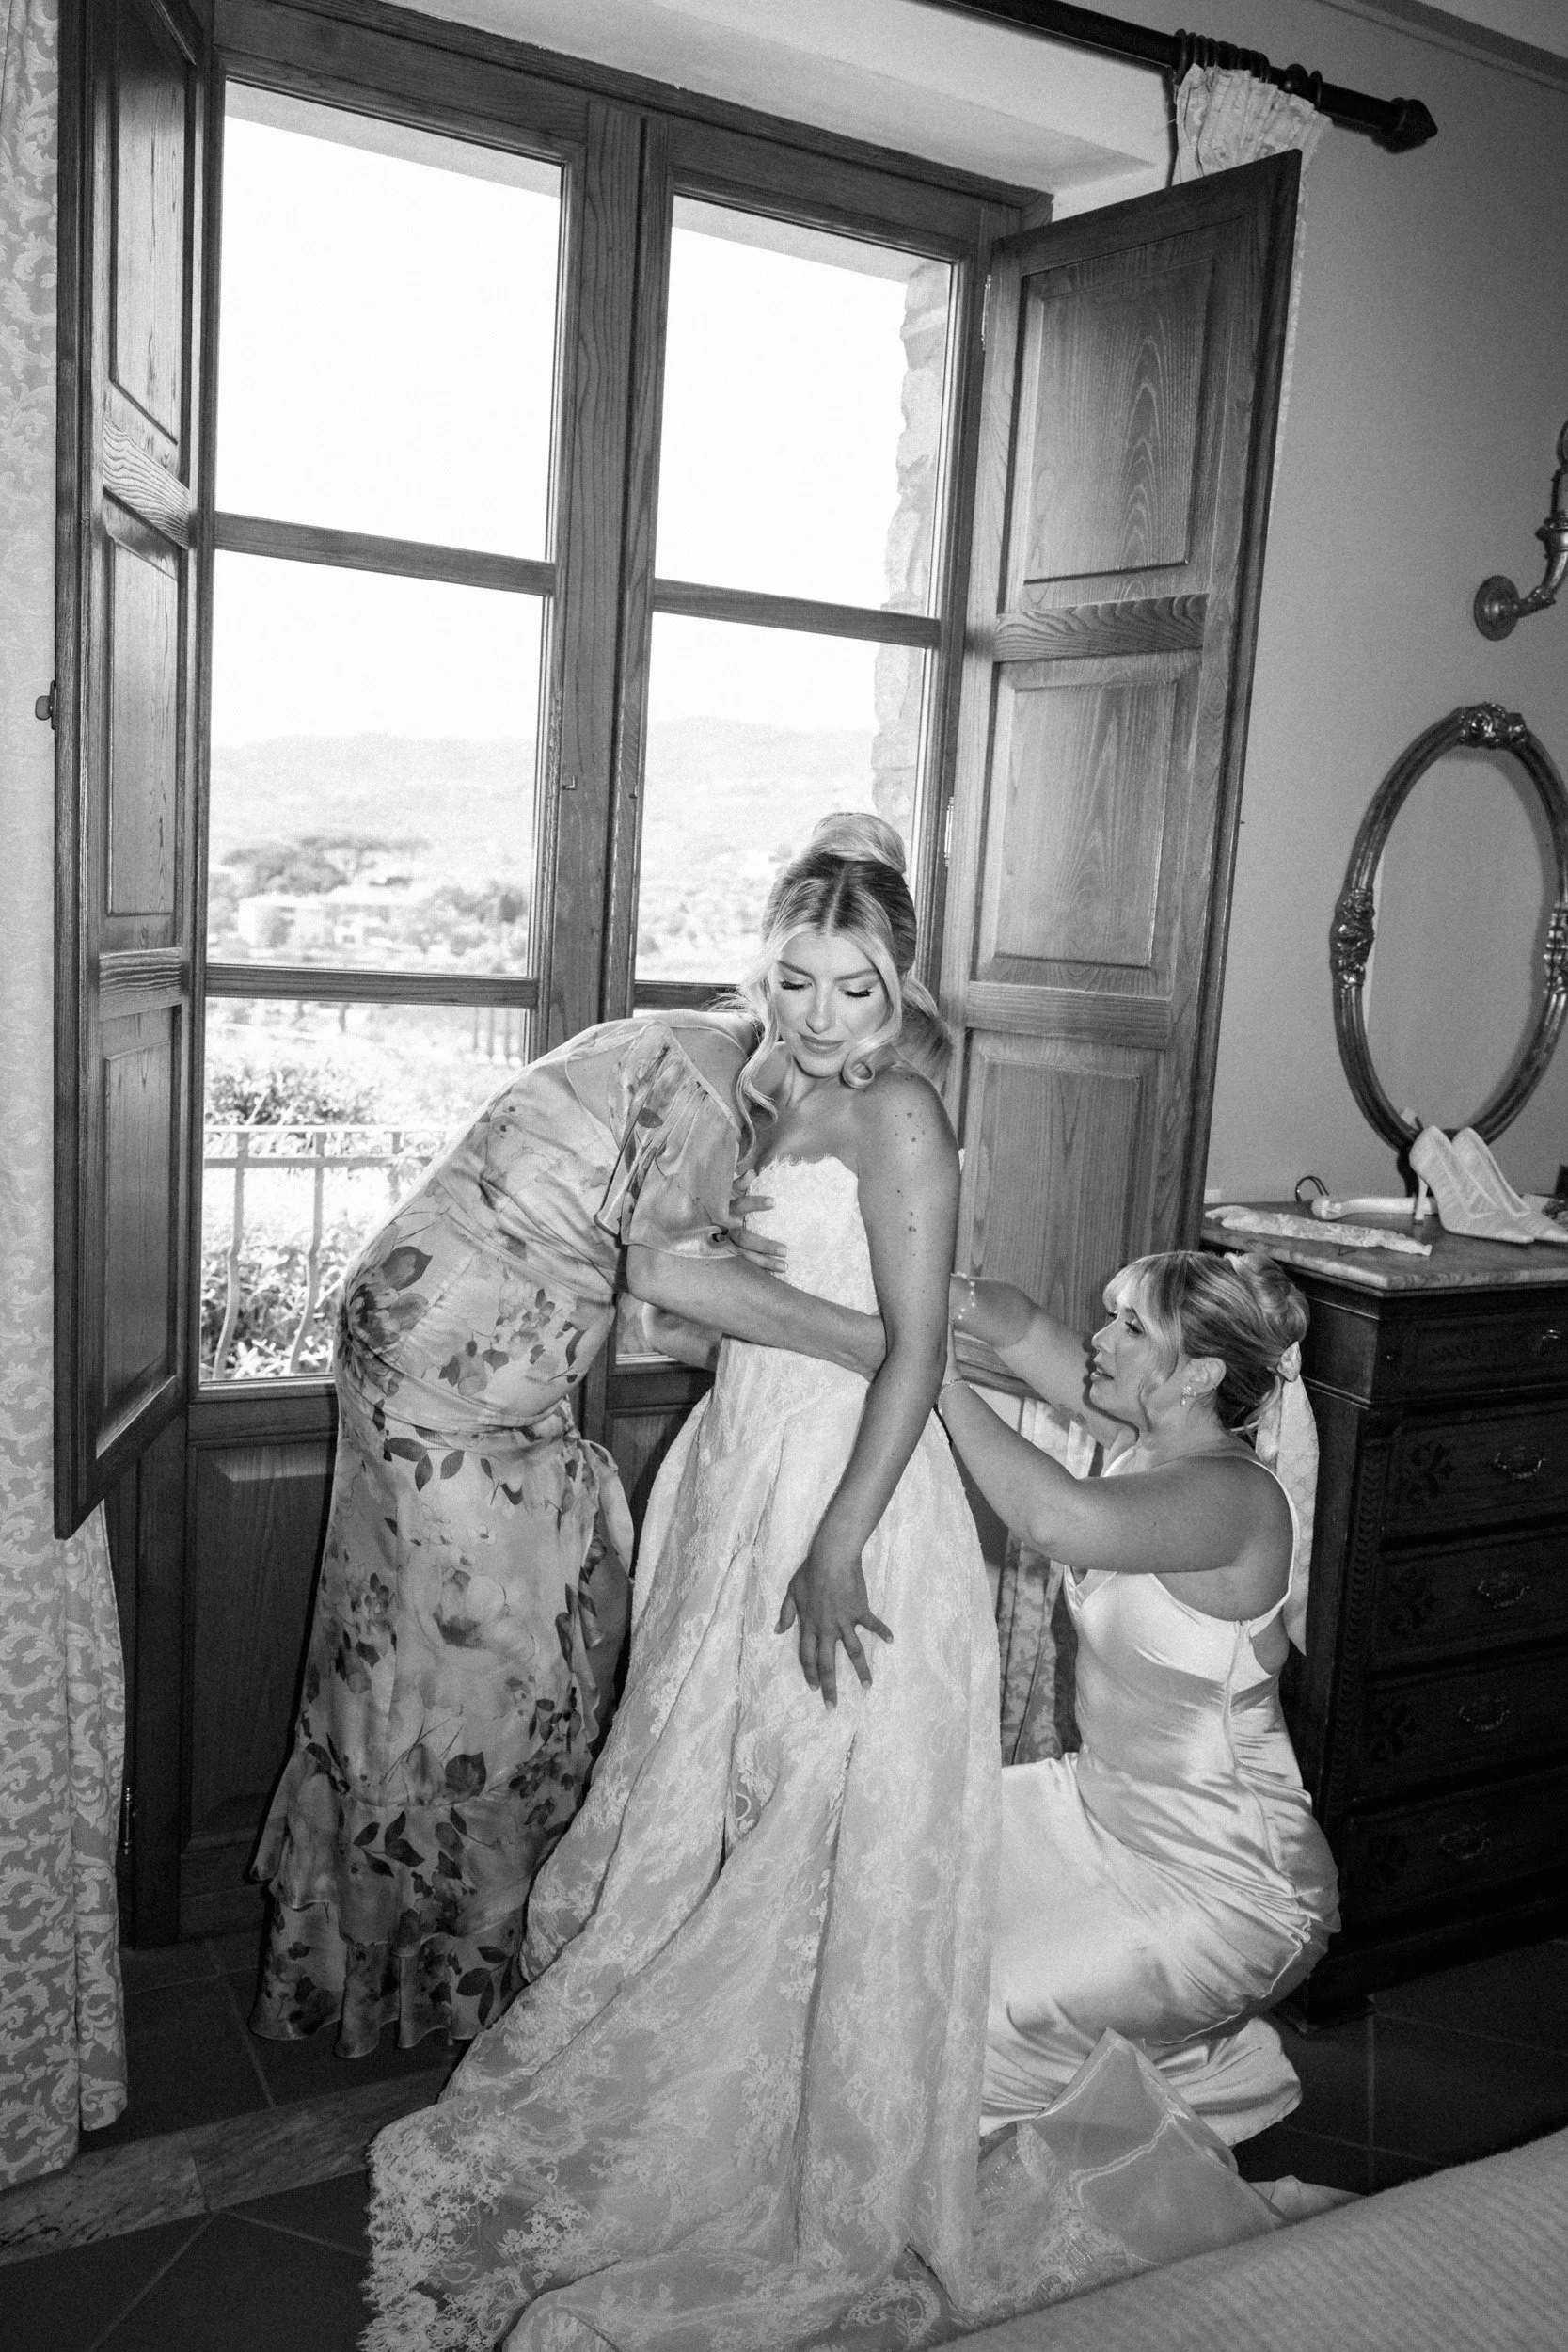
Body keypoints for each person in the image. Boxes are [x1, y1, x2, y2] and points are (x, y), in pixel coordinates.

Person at [362, 815, 1005, 2350]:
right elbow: (679, 1317)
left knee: (814, 1804)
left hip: (852, 1486)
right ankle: (717, 2096)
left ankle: (821, 2143)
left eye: (856, 988)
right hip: (737, 1468)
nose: (820, 1015)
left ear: (901, 987)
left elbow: (912, 1347)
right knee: (701, 1790)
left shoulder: (902, 1113)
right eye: (794, 977)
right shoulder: (745, 1088)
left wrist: (844, 1535)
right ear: (760, 968)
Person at [250, 960, 906, 2059]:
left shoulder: (681, 1048)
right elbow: (666, 1296)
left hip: (444, 1356)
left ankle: (384, 1971)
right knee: (465, 1682)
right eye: (813, 1002)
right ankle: (455, 1989)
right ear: (772, 998)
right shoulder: (705, 1094)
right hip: (444, 1385)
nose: (841, 1047)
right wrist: (866, 1342)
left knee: (426, 1665)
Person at [937, 1248, 1341, 2145]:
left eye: (1127, 1325)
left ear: (1196, 1372)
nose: (1097, 1337)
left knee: (967, 2010)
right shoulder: (1143, 1440)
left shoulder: (1235, 1499)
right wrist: (931, 1282)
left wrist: (935, 1381)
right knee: (901, 1881)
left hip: (1225, 1883)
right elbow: (1016, 1322)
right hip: (1097, 1813)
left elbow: (1052, 1519)